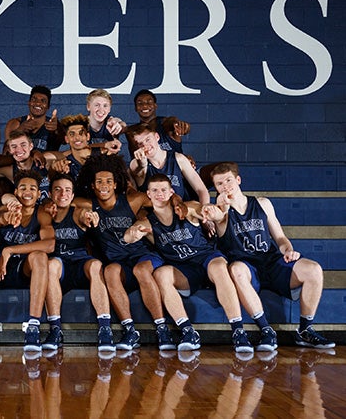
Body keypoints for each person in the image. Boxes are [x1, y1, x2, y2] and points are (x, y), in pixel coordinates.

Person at [205, 162, 335, 349]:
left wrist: (288, 250)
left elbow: (280, 237)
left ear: (238, 180)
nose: (225, 186)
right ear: (215, 188)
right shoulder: (220, 211)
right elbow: (220, 217)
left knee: (313, 269)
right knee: (236, 270)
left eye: (228, 180)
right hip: (246, 266)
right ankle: (266, 330)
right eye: (219, 184)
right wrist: (222, 207)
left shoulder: (262, 203)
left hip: (271, 261)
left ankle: (305, 330)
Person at [125, 174, 253, 352]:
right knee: (161, 274)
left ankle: (238, 331)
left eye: (163, 189)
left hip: (206, 259)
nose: (159, 193)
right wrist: (133, 234)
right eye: (155, 190)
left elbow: (207, 210)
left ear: (171, 192)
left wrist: (213, 211)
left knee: (219, 267)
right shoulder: (147, 222)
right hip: (184, 270)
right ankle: (188, 331)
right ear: (148, 194)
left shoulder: (188, 207)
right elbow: (129, 235)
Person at [73, 154, 179, 351]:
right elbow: (69, 203)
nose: (103, 185)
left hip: (143, 256)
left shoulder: (133, 200)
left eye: (108, 181)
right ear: (93, 186)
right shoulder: (88, 204)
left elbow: (166, 198)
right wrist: (84, 216)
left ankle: (162, 329)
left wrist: (179, 202)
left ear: (115, 184)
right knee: (110, 271)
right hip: (118, 262)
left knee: (141, 270)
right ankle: (130, 330)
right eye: (99, 182)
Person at [0, 170, 55, 352]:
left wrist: (10, 250)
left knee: (40, 256)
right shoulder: (6, 209)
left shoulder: (41, 214)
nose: (28, 191)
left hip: (22, 268)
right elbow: (0, 218)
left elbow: (49, 245)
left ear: (39, 194)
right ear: (16, 192)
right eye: (23, 187)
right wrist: (7, 217)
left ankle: (33, 326)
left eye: (33, 188)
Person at [41, 172, 114, 352]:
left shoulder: (78, 212)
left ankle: (105, 328)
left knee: (96, 265)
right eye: (57, 190)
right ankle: (55, 329)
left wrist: (89, 217)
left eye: (67, 190)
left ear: (73, 196)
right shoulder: (44, 214)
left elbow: (85, 215)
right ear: (50, 194)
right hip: (59, 268)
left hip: (80, 263)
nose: (63, 194)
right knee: (51, 265)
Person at [127, 122, 209, 204]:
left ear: (157, 137)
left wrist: (205, 210)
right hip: (153, 214)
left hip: (180, 212)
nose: (145, 146)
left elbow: (201, 190)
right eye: (140, 144)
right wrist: (142, 163)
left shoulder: (178, 159)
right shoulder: (136, 163)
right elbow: (139, 168)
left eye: (148, 140)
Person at [48, 114, 120, 182]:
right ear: (67, 139)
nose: (77, 137)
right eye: (72, 134)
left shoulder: (104, 156)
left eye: (81, 133)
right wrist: (54, 169)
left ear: (88, 136)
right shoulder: (65, 163)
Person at [0, 130, 51, 202]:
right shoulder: (9, 171)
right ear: (9, 150)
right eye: (14, 146)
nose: (19, 149)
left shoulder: (44, 161)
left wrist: (35, 152)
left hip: (48, 210)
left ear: (31, 146)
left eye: (23, 145)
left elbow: (63, 155)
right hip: (25, 211)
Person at [4, 85, 64, 152]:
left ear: (48, 106)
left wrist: (58, 130)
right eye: (34, 99)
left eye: (43, 101)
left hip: (47, 162)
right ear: (29, 103)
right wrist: (19, 131)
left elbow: (65, 141)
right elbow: (6, 152)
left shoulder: (54, 124)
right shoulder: (15, 123)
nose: (38, 103)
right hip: (21, 162)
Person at [131, 89, 190, 154]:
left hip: (174, 163)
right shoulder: (132, 132)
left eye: (149, 102)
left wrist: (180, 125)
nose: (145, 105)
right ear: (136, 108)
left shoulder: (164, 123)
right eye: (140, 103)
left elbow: (172, 122)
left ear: (155, 106)